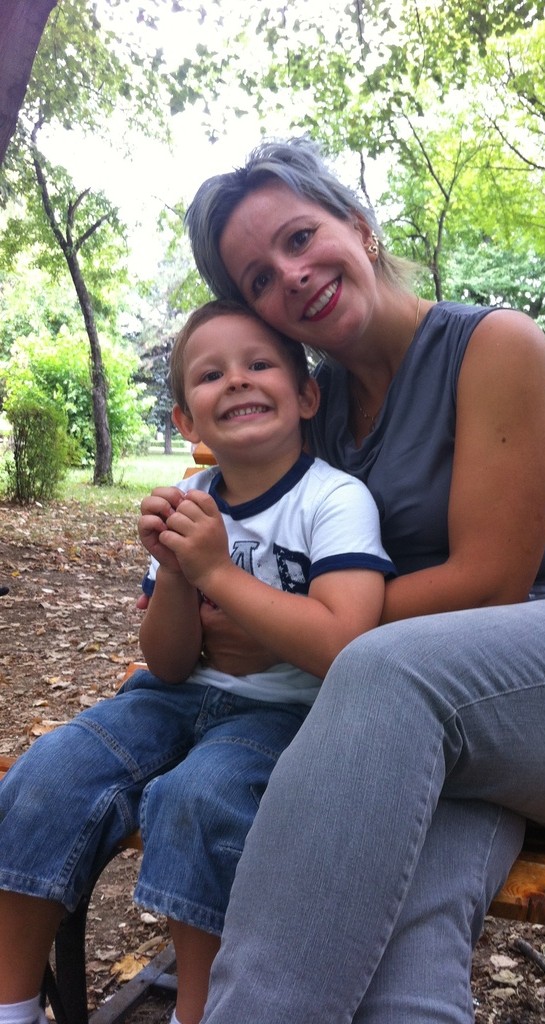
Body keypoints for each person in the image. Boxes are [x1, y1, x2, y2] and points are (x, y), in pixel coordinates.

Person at [182, 136, 545, 1024]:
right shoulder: (316, 410)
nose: (290, 275)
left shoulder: (492, 345)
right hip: (435, 728)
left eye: (300, 238)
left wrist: (285, 625)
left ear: (358, 227)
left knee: (381, 668)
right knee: (401, 971)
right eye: (258, 278)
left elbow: (489, 582)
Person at [0, 299, 394, 1024]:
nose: (237, 380)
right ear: (187, 420)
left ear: (306, 396)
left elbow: (344, 644)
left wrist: (215, 570)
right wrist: (178, 576)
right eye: (211, 375)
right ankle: (13, 1005)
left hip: (283, 711)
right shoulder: (186, 499)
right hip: (169, 697)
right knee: (47, 774)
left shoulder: (335, 500)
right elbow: (169, 662)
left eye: (260, 364)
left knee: (199, 798)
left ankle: (200, 1010)